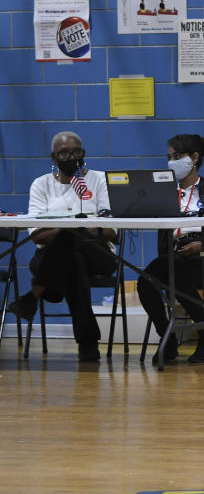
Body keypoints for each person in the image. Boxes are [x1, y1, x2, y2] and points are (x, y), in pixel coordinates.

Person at [8, 131, 116, 362]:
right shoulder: (41, 184)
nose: (71, 157)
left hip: (98, 253)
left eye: (76, 152)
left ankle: (35, 294)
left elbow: (110, 231)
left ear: (83, 153)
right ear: (53, 157)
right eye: (64, 153)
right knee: (73, 259)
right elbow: (37, 235)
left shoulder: (99, 180)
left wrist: (67, 228)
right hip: (51, 256)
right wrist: (75, 228)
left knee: (71, 236)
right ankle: (87, 343)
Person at [136, 134, 204, 365]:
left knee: (177, 277)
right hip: (177, 253)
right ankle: (168, 337)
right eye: (169, 157)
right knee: (145, 281)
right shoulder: (165, 192)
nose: (172, 161)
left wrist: (203, 245)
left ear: (195, 158)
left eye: (177, 156)